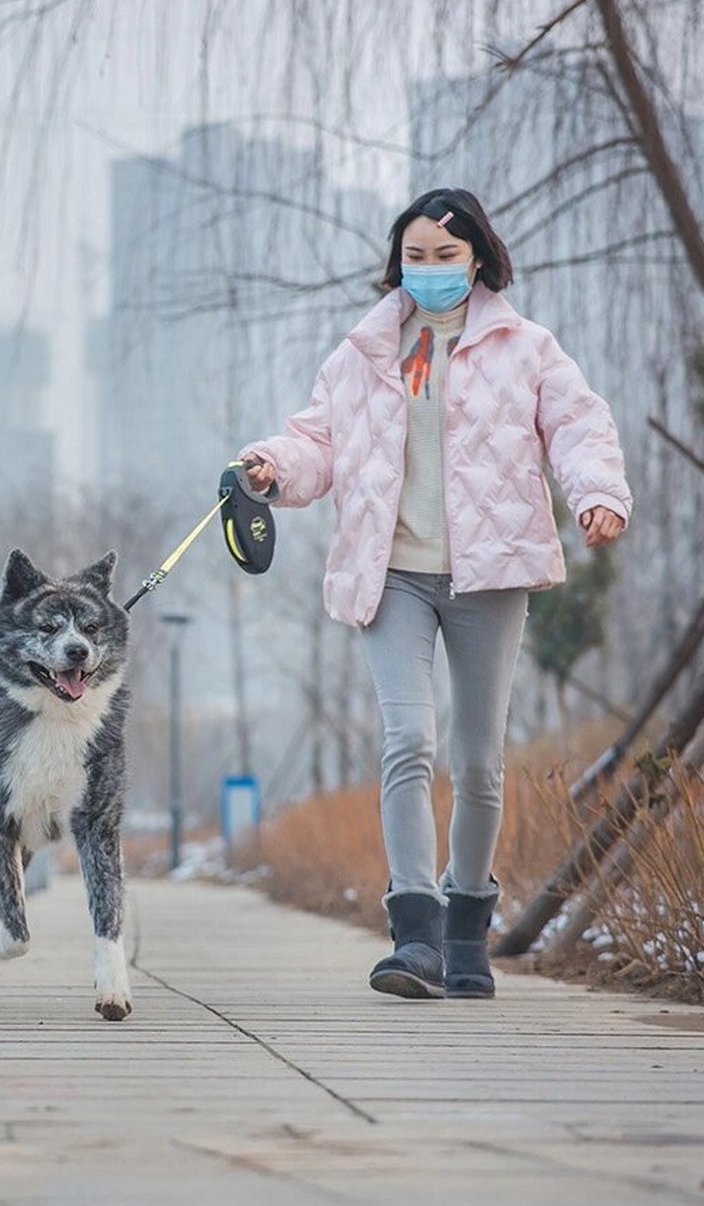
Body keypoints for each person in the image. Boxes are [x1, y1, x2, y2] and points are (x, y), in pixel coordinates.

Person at [238, 187, 632, 999]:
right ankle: (412, 934)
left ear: (477, 259)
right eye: (413, 256)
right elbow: (317, 440)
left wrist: (598, 493)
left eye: (444, 256)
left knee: (478, 761)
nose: (427, 270)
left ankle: (465, 932)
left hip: (490, 576)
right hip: (392, 575)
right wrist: (272, 467)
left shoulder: (525, 348)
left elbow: (578, 424)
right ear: (397, 262)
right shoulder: (362, 352)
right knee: (406, 742)